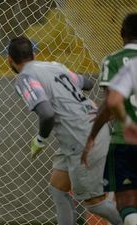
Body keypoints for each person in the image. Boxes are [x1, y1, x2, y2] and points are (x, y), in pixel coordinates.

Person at [9, 36, 122, 225]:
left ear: (9, 60)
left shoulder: (25, 78)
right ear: (33, 55)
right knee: (58, 188)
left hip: (82, 138)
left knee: (94, 203)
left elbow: (47, 114)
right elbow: (87, 82)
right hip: (87, 129)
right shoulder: (54, 66)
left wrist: (40, 140)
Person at [81, 13, 137, 225]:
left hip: (126, 140)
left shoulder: (113, 60)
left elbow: (111, 106)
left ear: (121, 33)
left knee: (126, 202)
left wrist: (92, 137)